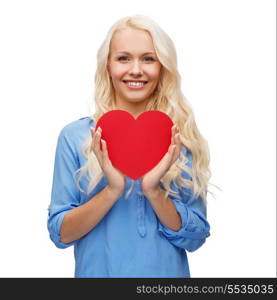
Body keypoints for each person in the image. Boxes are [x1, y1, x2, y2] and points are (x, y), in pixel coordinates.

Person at [47, 15, 212, 278]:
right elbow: (60, 234)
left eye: (148, 58)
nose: (136, 70)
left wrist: (153, 190)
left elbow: (196, 238)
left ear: (162, 67)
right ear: (107, 67)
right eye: (123, 58)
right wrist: (113, 189)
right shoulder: (75, 137)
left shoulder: (180, 138)